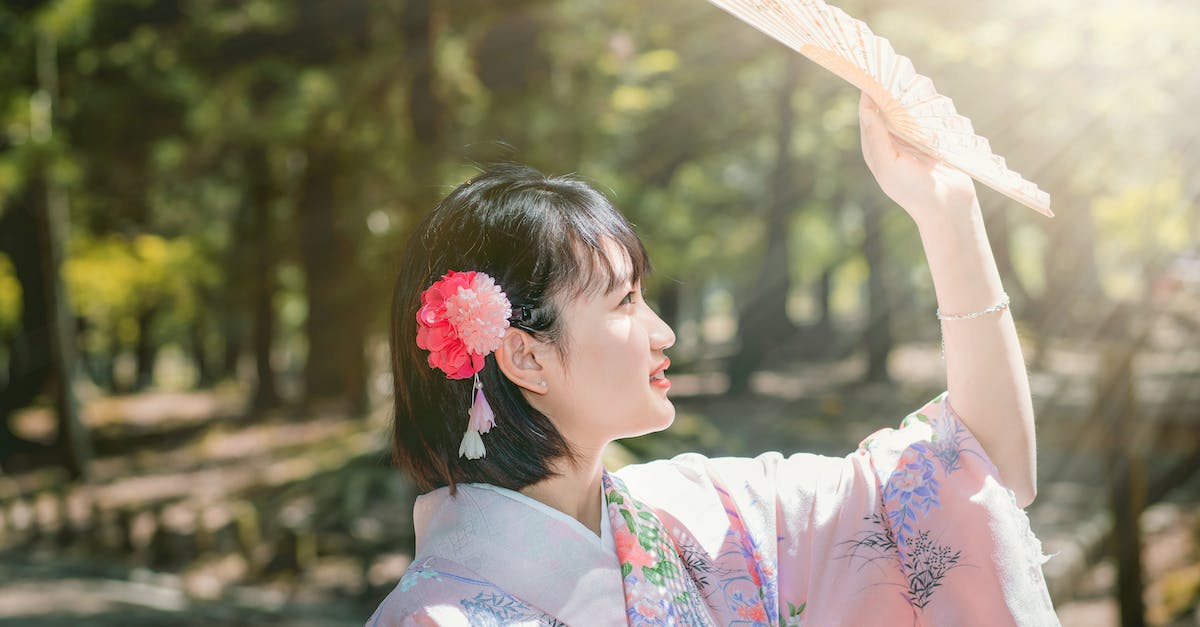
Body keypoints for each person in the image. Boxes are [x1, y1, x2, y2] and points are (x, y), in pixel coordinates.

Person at [367, 94, 1060, 626]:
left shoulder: (703, 516)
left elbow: (977, 467)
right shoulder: (438, 616)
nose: (663, 331)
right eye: (626, 302)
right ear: (525, 355)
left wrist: (948, 215)